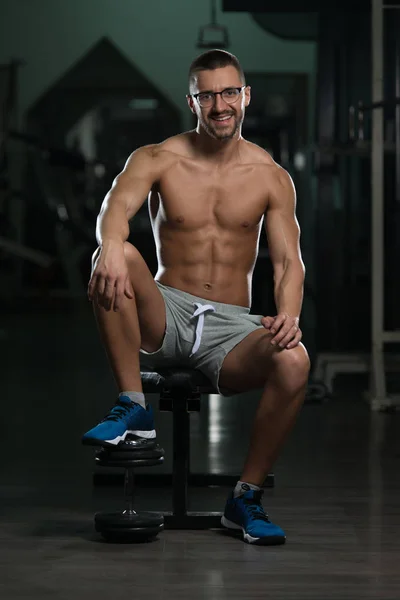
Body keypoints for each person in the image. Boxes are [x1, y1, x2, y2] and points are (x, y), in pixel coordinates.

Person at [82, 49, 310, 546]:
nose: (220, 104)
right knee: (114, 255)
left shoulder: (271, 176)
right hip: (166, 312)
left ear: (245, 96)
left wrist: (289, 314)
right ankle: (133, 409)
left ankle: (243, 499)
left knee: (295, 361)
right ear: (192, 101)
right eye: (207, 95)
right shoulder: (159, 157)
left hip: (232, 328)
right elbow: (114, 207)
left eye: (229, 92)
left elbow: (290, 261)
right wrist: (110, 246)